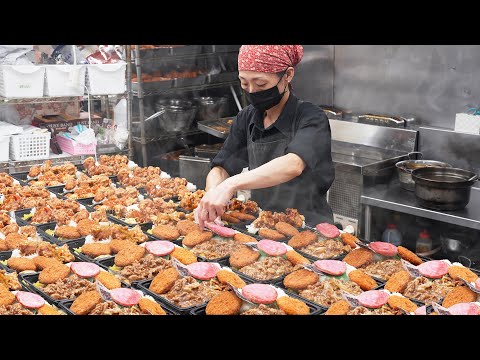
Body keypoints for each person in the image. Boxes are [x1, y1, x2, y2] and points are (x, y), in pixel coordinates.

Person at [196, 45, 335, 228]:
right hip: (263, 224)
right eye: (244, 83)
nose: (252, 91)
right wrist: (213, 193)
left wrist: (230, 185)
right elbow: (222, 167)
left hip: (309, 228)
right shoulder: (247, 118)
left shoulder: (311, 117)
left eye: (260, 84)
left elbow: (293, 164)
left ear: (287, 75)